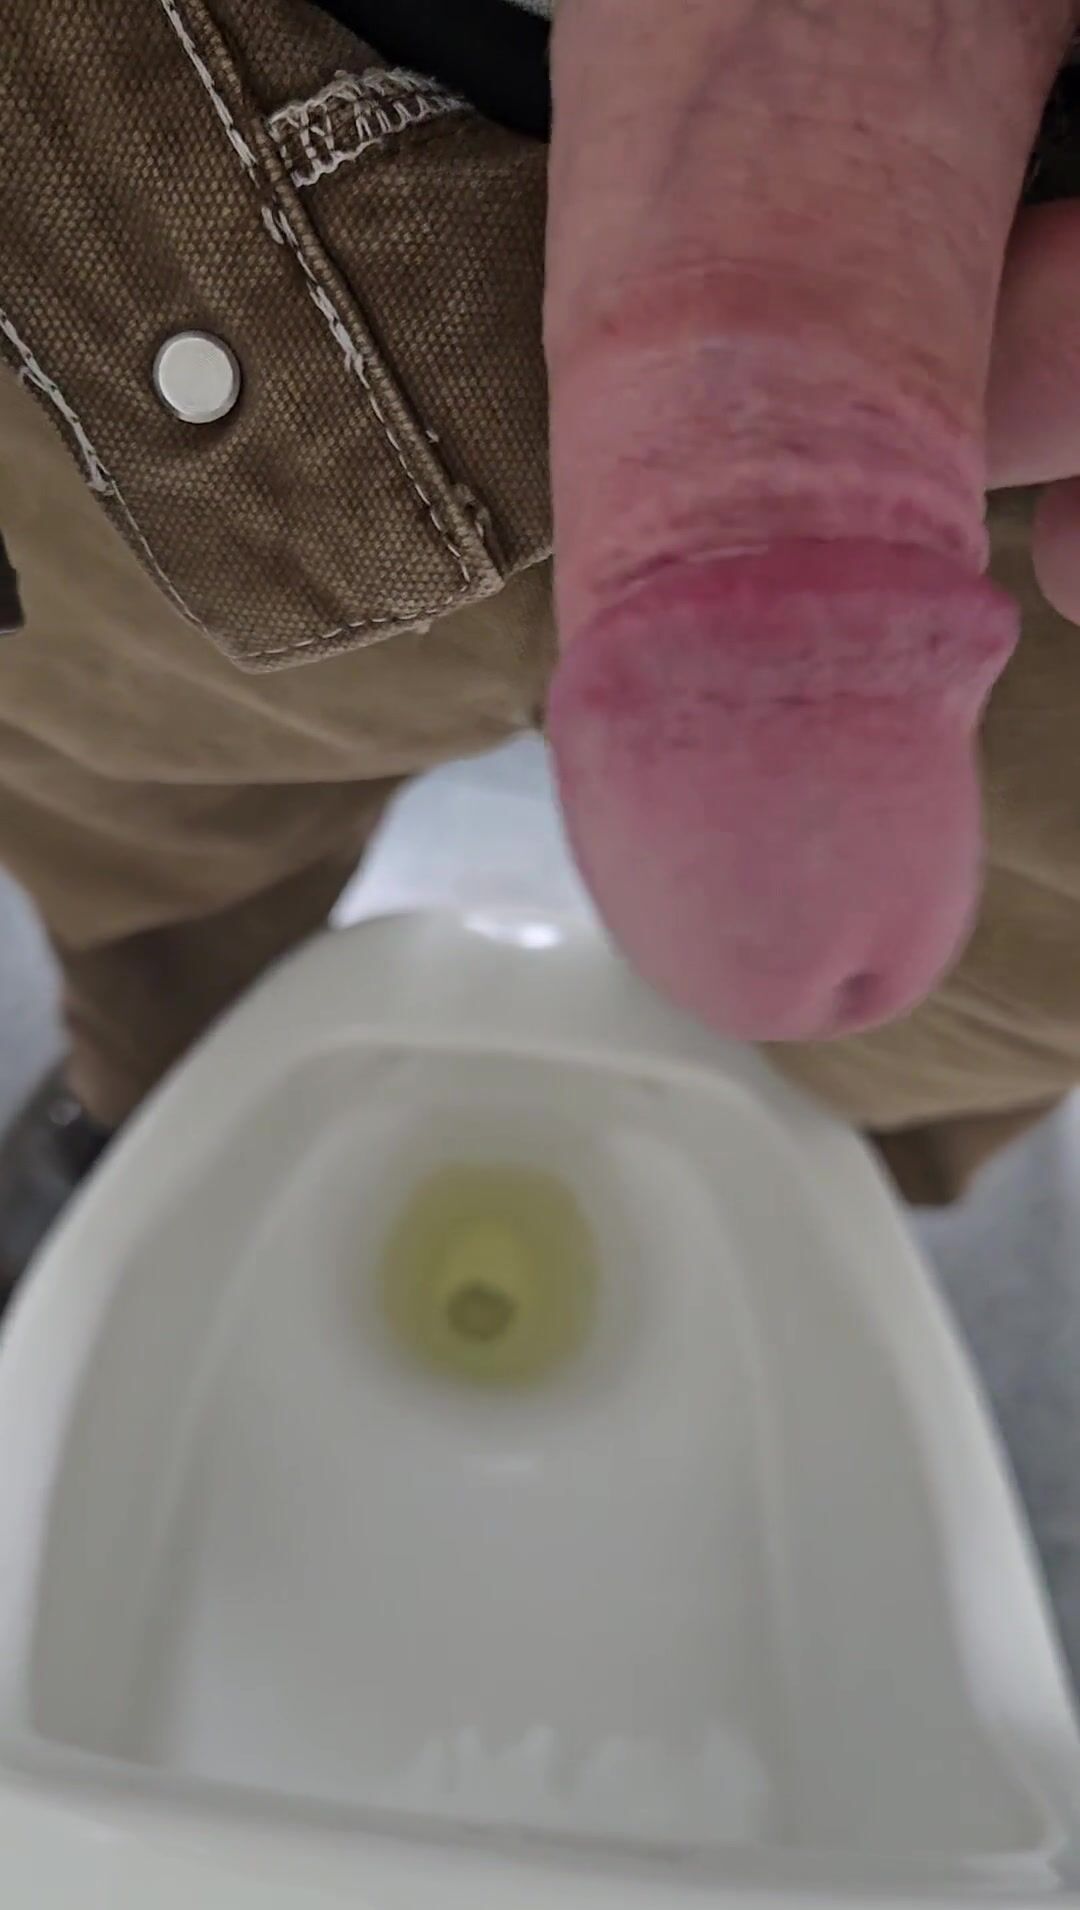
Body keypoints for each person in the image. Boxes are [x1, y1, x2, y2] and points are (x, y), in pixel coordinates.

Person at [0, 0, 1078, 1292]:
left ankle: (784, 1199)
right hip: (168, 198)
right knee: (138, 818)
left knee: (935, 1013)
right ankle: (146, 1109)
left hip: (1027, 445)